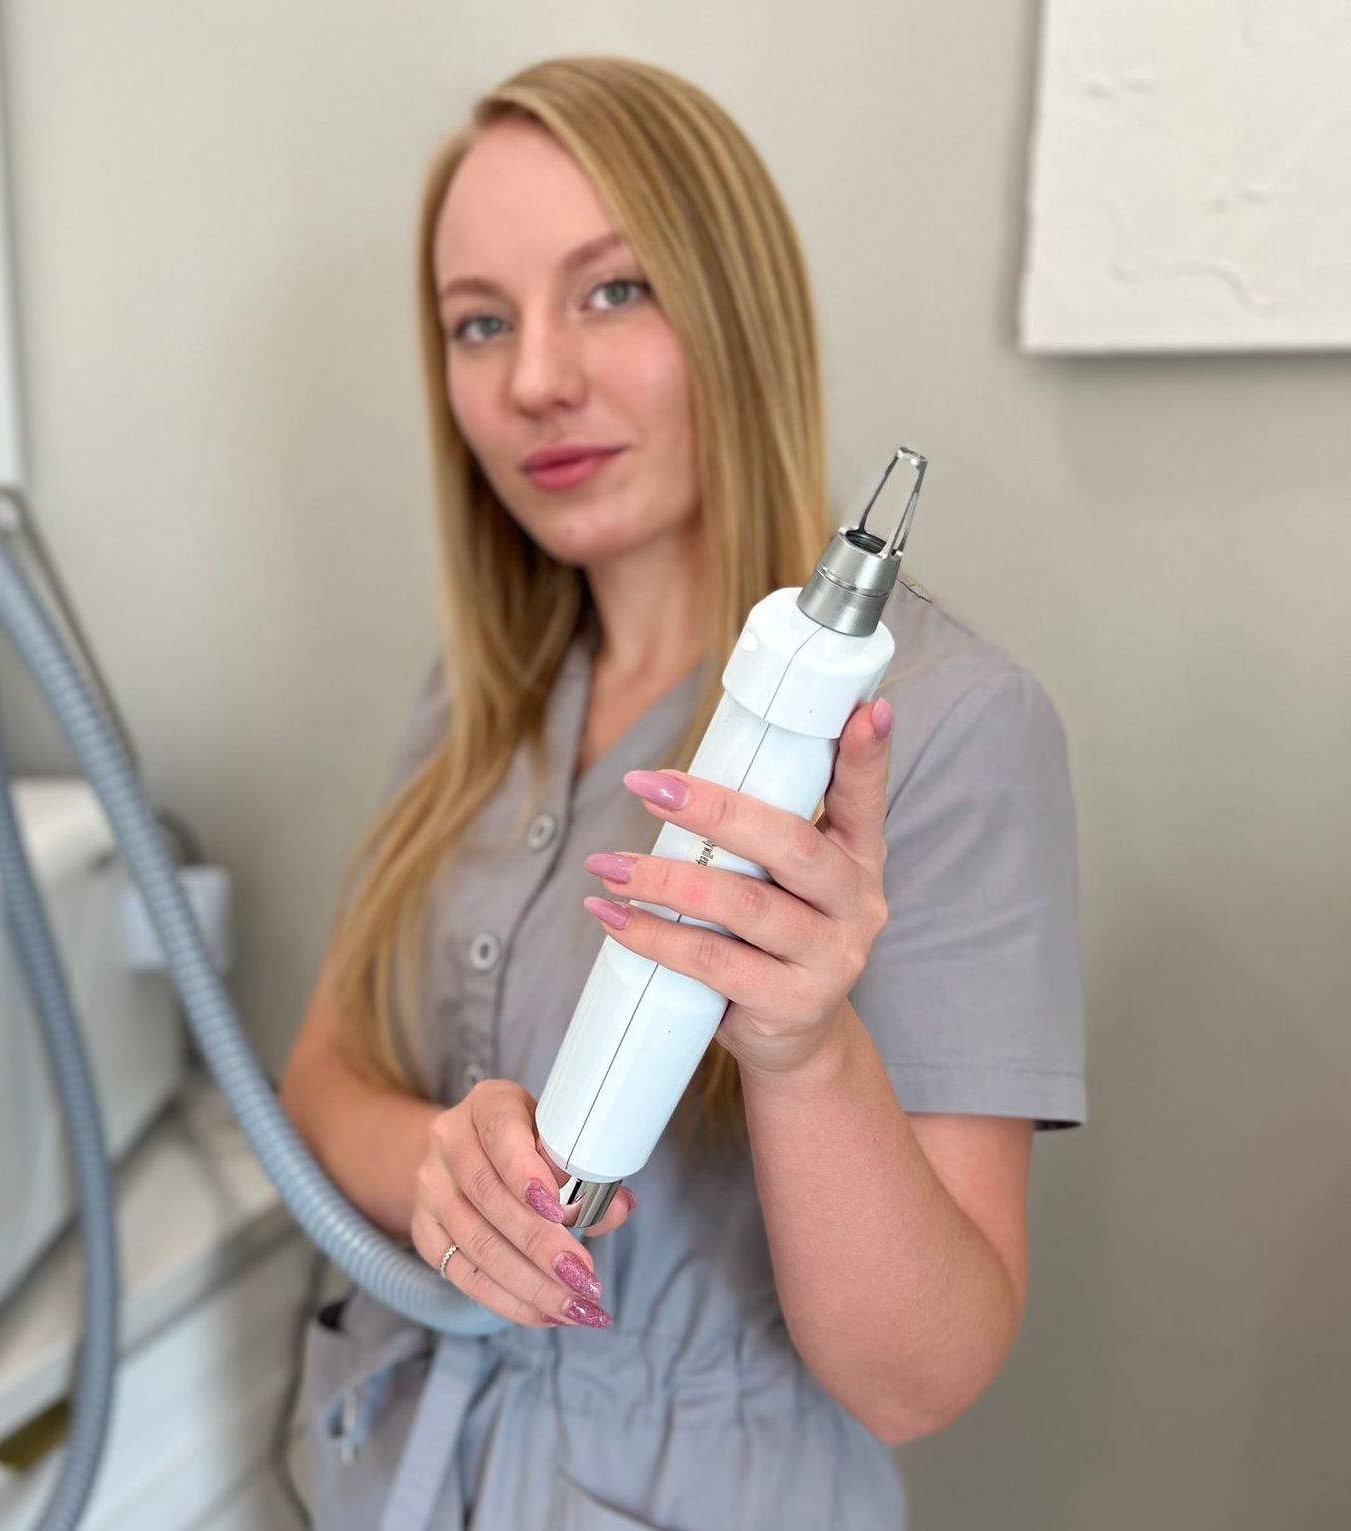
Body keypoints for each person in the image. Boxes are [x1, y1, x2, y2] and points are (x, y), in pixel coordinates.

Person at [279, 55, 1086, 1531]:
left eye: (612, 291)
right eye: (479, 322)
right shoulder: (479, 696)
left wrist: (804, 1052)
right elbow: (321, 1071)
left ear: (735, 312)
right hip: (381, 1474)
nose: (535, 379)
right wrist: (438, 1169)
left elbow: (919, 1381)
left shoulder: (944, 727)